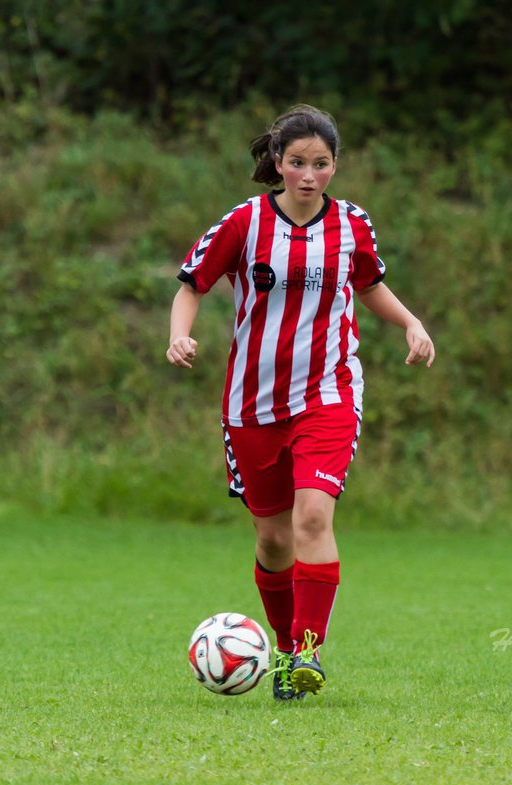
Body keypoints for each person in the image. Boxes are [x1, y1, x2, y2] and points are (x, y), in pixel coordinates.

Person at [167, 105, 435, 698]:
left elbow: (368, 285)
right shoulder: (244, 224)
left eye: (321, 164)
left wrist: (412, 324)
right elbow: (192, 284)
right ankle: (285, 649)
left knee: (312, 517)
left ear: (334, 166)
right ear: (278, 164)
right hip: (252, 405)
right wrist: (178, 334)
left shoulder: (352, 225)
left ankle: (306, 655)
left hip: (329, 393)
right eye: (297, 163)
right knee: (273, 540)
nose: (308, 175)